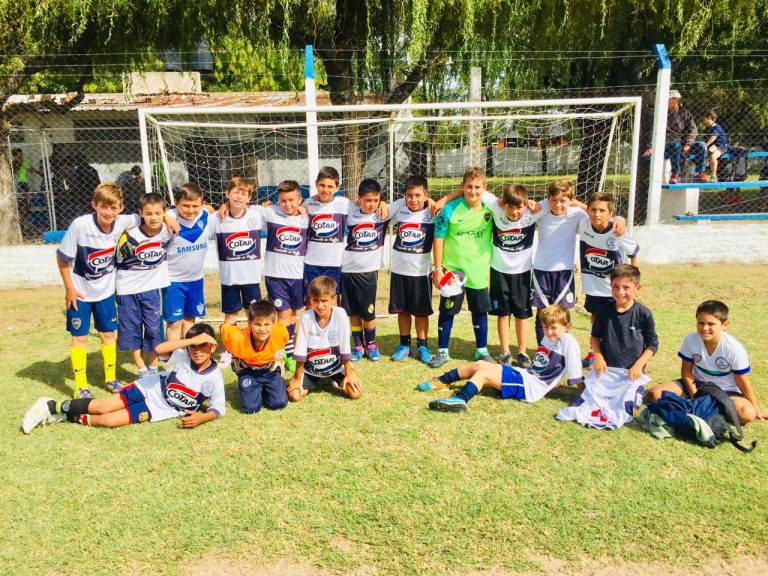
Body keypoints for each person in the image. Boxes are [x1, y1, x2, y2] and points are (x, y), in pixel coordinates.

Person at [22, 323, 225, 433]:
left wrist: (202, 418)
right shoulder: (183, 356)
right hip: (149, 388)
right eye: (193, 347)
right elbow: (159, 349)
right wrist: (191, 340)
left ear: (213, 347)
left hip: (160, 409)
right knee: (102, 407)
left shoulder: (214, 377)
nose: (197, 351)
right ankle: (51, 406)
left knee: (108, 420)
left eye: (203, 346)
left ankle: (65, 416)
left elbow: (218, 408)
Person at [56, 183, 142, 398]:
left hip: (105, 293)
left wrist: (168, 218)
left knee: (108, 335)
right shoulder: (80, 225)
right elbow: (62, 259)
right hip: (80, 294)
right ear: (94, 205)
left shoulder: (122, 221)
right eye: (104, 207)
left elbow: (143, 216)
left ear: (121, 208)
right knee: (80, 338)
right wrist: (69, 289)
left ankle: (111, 379)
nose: (109, 212)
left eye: (114, 208)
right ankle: (81, 386)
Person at [422, 304, 583, 412]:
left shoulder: (568, 341)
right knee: (480, 364)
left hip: (529, 387)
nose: (548, 332)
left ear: (567, 326)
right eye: (545, 327)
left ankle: (460, 399)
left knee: (483, 374)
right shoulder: (549, 338)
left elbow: (576, 375)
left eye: (554, 328)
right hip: (524, 375)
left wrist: (586, 398)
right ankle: (441, 381)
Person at [648, 300, 767, 424]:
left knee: (747, 414)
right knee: (654, 394)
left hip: (726, 392)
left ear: (724, 324)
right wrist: (695, 397)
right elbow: (686, 372)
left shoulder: (734, 348)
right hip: (698, 385)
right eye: (701, 323)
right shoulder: (691, 340)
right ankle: (704, 410)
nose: (705, 328)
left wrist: (756, 409)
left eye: (711, 324)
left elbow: (741, 380)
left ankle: (694, 409)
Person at [430, 166, 495, 368]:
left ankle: (481, 350)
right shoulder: (449, 209)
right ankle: (442, 351)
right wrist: (438, 268)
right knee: (447, 310)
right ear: (462, 187)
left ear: (484, 188)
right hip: (452, 271)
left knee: (480, 311)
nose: (473, 191)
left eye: (477, 187)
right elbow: (438, 238)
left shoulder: (491, 208)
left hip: (477, 270)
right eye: (469, 187)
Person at [483, 184, 544, 368]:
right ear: (504, 204)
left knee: (521, 314)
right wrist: (440, 200)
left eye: (519, 207)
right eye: (510, 207)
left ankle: (522, 353)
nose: (515, 211)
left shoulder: (531, 213)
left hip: (522, 273)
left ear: (525, 204)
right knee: (503, 314)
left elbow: (561, 200)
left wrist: (617, 218)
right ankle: (505, 352)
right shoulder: (496, 208)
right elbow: (475, 189)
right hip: (498, 272)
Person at [115, 192, 174, 377]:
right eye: (148, 213)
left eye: (158, 213)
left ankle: (154, 368)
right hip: (127, 291)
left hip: (151, 291)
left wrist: (169, 218)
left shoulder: (168, 230)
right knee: (131, 329)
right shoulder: (129, 235)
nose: (153, 217)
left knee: (153, 329)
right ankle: (141, 369)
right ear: (140, 213)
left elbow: (201, 210)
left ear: (164, 212)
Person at [578, 191, 639, 366]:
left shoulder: (616, 231)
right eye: (593, 210)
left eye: (602, 211)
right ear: (588, 211)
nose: (597, 214)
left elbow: (633, 251)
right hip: (592, 287)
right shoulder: (583, 224)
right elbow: (574, 204)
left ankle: (617, 354)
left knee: (616, 322)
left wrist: (633, 281)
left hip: (613, 289)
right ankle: (593, 352)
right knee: (595, 319)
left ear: (610, 214)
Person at [260, 179, 309, 370]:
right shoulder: (270, 212)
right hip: (275, 275)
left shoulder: (306, 217)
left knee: (293, 313)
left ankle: (287, 346)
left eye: (291, 200)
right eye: (283, 201)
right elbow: (243, 209)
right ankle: (287, 353)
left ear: (300, 200)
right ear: (277, 200)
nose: (287, 204)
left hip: (297, 276)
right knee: (283, 314)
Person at [288, 276, 362, 402]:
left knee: (356, 393)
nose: (319, 305)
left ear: (334, 299)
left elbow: (345, 346)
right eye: (315, 300)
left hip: (336, 367)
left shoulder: (340, 314)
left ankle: (338, 375)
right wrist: (296, 378)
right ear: (310, 298)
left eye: (324, 301)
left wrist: (349, 374)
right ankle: (319, 379)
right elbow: (300, 349)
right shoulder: (306, 317)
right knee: (294, 396)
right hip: (311, 369)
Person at [388, 175, 436, 364]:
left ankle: (422, 346)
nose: (413, 200)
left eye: (418, 195)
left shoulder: (432, 213)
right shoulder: (400, 211)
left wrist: (431, 201)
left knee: (421, 312)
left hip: (421, 273)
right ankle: (404, 345)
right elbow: (381, 213)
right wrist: (399, 200)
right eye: (409, 195)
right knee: (403, 311)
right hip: (399, 271)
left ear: (426, 195)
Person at [341, 179, 389, 362]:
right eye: (368, 200)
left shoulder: (382, 215)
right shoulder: (350, 213)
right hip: (347, 271)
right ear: (359, 198)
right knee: (353, 312)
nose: (371, 204)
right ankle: (359, 346)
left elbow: (404, 204)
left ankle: (371, 345)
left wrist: (383, 203)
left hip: (368, 273)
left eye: (375, 200)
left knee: (368, 312)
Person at [163, 183, 215, 342]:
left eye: (195, 206)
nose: (190, 210)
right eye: (185, 205)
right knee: (175, 323)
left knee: (190, 320)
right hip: (173, 281)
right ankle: (173, 355)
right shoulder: (169, 216)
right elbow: (152, 213)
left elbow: (210, 209)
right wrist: (165, 216)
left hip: (195, 280)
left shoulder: (205, 215)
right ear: (176, 203)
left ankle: (187, 353)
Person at [590, 264, 657, 381]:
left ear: (637, 288)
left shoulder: (643, 314)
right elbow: (595, 337)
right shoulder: (603, 311)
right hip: (606, 371)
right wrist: (598, 358)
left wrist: (638, 365)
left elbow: (652, 344)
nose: (620, 292)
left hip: (632, 373)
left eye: (626, 287)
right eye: (616, 287)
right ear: (610, 286)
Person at [220, 300, 289, 413]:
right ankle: (254, 389)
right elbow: (226, 328)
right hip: (248, 371)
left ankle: (267, 389)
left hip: (270, 370)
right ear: (249, 323)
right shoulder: (238, 340)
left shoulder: (280, 332)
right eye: (257, 324)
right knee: (251, 408)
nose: (262, 329)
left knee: (279, 403)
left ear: (274, 323)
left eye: (267, 324)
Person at [213, 177, 264, 324]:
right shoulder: (217, 218)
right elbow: (202, 212)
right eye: (236, 192)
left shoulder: (256, 215)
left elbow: (279, 211)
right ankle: (231, 340)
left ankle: (252, 339)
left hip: (251, 278)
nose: (239, 197)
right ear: (227, 194)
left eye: (243, 194)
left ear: (249, 198)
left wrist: (300, 208)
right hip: (229, 279)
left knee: (254, 314)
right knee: (230, 316)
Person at [302, 166, 355, 295]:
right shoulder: (308, 203)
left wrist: (381, 204)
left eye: (330, 186)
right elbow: (292, 213)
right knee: (311, 298)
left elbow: (364, 210)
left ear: (337, 187)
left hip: (334, 263)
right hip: (312, 262)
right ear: (316, 184)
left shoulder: (345, 204)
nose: (325, 190)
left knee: (333, 298)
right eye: (322, 185)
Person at [641, 90, 706, 184]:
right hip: (667, 146)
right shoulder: (661, 114)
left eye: (668, 100)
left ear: (675, 101)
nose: (666, 102)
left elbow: (693, 131)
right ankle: (675, 174)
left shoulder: (686, 114)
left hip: (684, 145)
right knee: (675, 145)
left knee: (701, 145)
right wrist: (652, 146)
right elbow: (653, 131)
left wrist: (688, 144)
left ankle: (699, 173)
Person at [702, 110, 728, 183]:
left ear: (709, 117)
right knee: (703, 154)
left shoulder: (715, 127)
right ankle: (700, 175)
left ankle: (714, 176)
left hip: (721, 146)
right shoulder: (707, 128)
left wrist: (705, 145)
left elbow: (713, 137)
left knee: (713, 156)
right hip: (713, 147)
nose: (702, 119)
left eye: (704, 117)